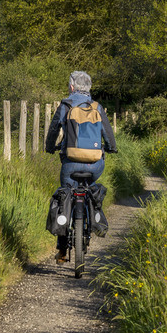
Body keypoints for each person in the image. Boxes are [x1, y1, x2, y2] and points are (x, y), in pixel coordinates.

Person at [45, 70, 119, 263]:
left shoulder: (65, 105)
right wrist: (111, 149)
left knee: (65, 197)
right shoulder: (97, 106)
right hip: (95, 165)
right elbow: (108, 134)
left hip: (70, 163)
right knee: (89, 188)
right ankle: (93, 213)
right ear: (89, 88)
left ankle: (62, 250)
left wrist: (49, 147)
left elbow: (54, 129)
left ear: (71, 87)